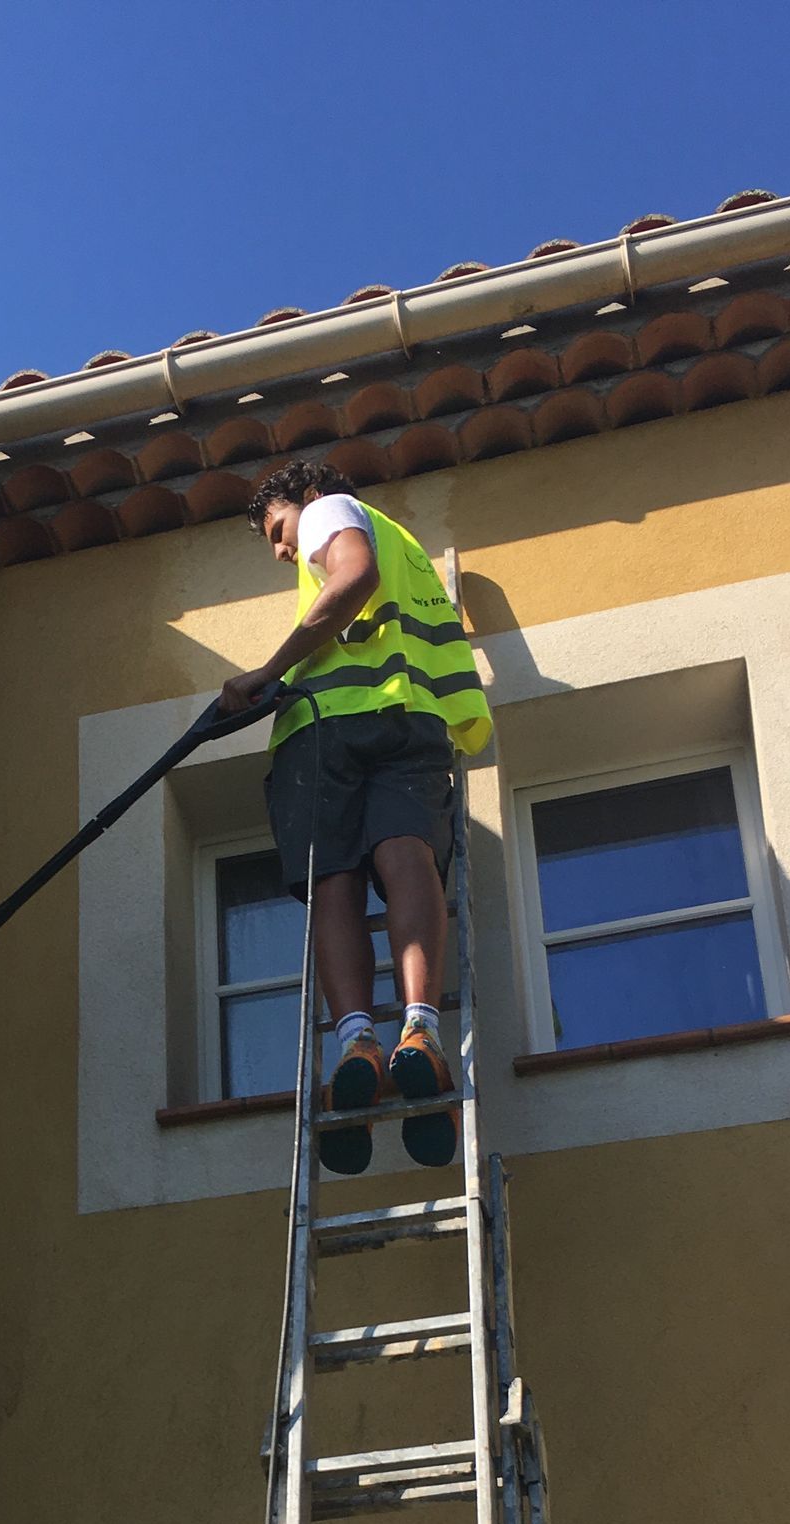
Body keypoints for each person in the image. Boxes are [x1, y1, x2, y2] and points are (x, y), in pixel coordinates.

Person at [217, 461, 492, 1174]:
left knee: (331, 882)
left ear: (306, 499)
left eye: (277, 531)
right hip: (409, 721)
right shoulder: (410, 550)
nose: (284, 552)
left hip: (328, 729)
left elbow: (352, 576)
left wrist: (268, 671)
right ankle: (419, 1035)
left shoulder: (329, 511)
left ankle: (356, 1042)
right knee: (408, 860)